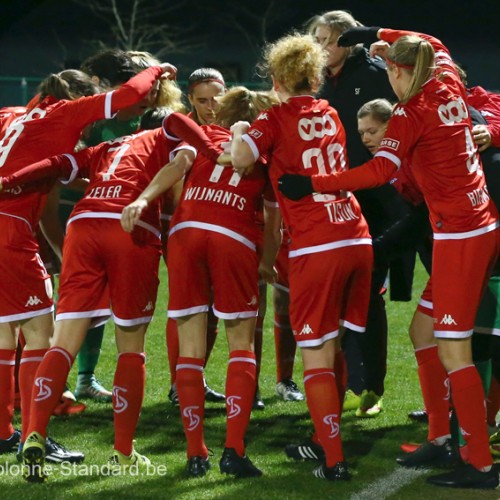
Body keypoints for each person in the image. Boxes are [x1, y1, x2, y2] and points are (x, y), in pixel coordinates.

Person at [278, 26, 500, 489]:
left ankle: (478, 461)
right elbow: (435, 41)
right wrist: (376, 31)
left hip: (462, 236)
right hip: (473, 226)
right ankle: (441, 437)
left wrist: (312, 184)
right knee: (423, 331)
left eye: (392, 73)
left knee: (453, 351)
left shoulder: (413, 111)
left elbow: (380, 170)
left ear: (397, 71)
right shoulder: (446, 82)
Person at [0, 108, 222, 482]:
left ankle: (35, 431)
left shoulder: (107, 146)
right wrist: (208, 153)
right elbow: (181, 149)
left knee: (62, 340)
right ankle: (122, 452)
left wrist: (8, 179)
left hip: (83, 225)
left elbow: (55, 164)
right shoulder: (166, 137)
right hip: (128, 226)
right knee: (130, 345)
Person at [230, 33, 372, 482]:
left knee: (314, 349)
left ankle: (334, 460)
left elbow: (239, 159)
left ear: (275, 78)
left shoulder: (272, 118)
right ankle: (321, 440)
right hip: (354, 233)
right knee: (335, 344)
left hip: (317, 242)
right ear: (314, 78)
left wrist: (238, 131)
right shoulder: (329, 113)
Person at [122, 86, 278, 478]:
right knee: (240, 343)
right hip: (234, 235)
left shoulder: (206, 136)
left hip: (186, 233)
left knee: (191, 348)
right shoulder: (267, 151)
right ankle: (234, 450)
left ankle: (196, 453)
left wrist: (143, 198)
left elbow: (174, 143)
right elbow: (273, 219)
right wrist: (268, 262)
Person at [307, 10, 414, 416]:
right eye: (316, 39)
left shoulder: (376, 74)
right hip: (334, 202)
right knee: (343, 295)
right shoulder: (316, 84)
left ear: (350, 41)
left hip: (383, 201)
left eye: (329, 40)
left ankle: (372, 385)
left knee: (370, 295)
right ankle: (350, 382)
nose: (321, 48)